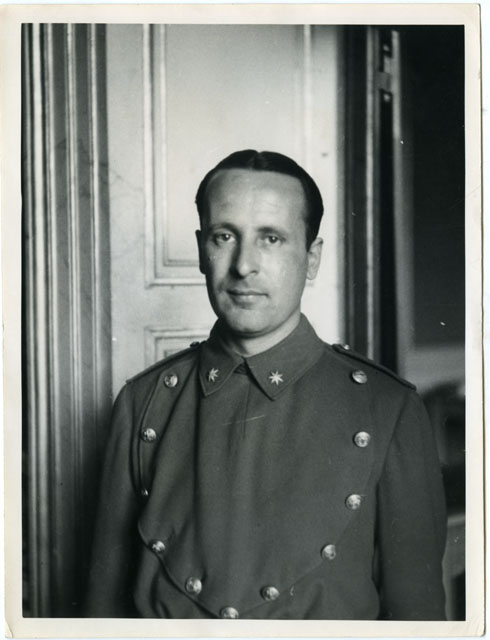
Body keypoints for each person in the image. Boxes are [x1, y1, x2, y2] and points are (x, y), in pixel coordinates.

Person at [85, 150, 447, 620]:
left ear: (312, 258)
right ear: (201, 250)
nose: (244, 266)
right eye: (224, 236)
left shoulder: (386, 409)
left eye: (271, 238)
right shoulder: (144, 403)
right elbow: (101, 614)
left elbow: (417, 618)